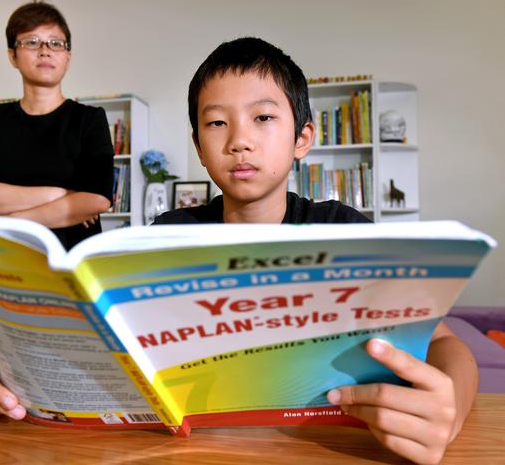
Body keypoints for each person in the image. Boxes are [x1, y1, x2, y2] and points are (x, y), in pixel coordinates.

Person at [153, 37, 477, 465]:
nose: (239, 141)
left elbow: (445, 343)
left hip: (324, 445)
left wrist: (447, 414)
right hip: (198, 446)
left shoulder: (344, 230)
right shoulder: (166, 237)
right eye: (216, 123)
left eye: (263, 117)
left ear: (302, 138)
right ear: (199, 147)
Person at [0, 0, 113, 420]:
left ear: (68, 57)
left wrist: (12, 219)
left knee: (75, 386)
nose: (45, 50)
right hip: (0, 268)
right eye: (32, 41)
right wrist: (59, 194)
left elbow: (96, 198)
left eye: (56, 43)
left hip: (70, 269)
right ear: (12, 54)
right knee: (2, 385)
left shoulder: (89, 120)